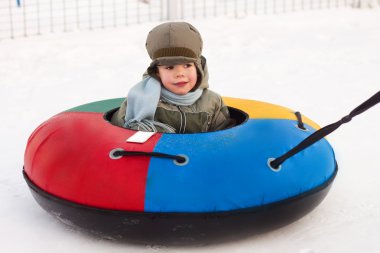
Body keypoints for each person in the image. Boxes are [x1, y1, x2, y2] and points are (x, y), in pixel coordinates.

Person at [111, 22, 234, 133]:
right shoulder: (141, 99)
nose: (180, 73)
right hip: (157, 156)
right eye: (169, 67)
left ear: (198, 68)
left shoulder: (212, 102)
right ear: (157, 72)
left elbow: (225, 136)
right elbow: (118, 131)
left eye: (187, 65)